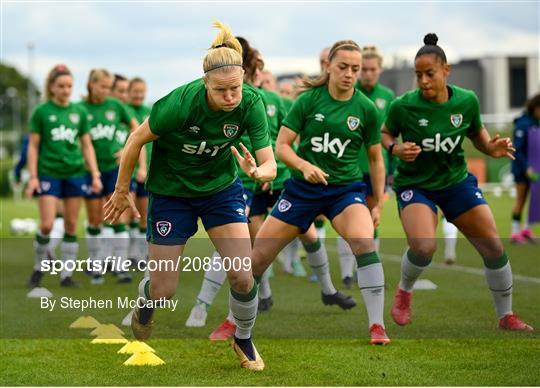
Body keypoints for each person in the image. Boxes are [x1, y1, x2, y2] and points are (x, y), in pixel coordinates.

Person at [104, 21, 277, 371]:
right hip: (172, 194)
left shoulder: (252, 104)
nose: (231, 97)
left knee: (243, 275)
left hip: (221, 191)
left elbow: (269, 162)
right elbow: (136, 139)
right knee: (164, 289)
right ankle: (146, 302)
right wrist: (122, 190)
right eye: (221, 91)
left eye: (236, 89)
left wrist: (259, 173)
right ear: (205, 84)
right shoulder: (179, 104)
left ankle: (243, 338)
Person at [382, 33, 533, 332]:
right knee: (424, 248)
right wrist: (394, 148)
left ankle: (506, 315)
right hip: (417, 184)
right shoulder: (403, 106)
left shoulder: (466, 101)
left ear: (446, 70)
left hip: (456, 182)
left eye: (430, 73)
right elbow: (386, 133)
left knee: (492, 246)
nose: (423, 81)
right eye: (418, 75)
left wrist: (492, 148)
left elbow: (478, 136)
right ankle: (404, 291)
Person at [247, 40, 390, 345]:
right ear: (328, 67)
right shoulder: (309, 100)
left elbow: (377, 159)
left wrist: (377, 202)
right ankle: (235, 322)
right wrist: (304, 165)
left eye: (356, 68)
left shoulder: (365, 108)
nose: (350, 74)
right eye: (343, 67)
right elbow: (282, 147)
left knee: (365, 242)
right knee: (258, 256)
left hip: (345, 191)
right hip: (302, 190)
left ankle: (377, 325)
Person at [25, 64, 102, 288]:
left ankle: (66, 276)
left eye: (69, 86)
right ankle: (39, 267)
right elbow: (33, 147)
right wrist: (32, 177)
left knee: (70, 224)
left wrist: (95, 174)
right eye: (61, 86)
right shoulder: (41, 112)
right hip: (49, 173)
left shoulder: (79, 112)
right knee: (47, 225)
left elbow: (87, 145)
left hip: (75, 173)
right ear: (51, 87)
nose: (66, 90)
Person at [338, 45, 396, 287]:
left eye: (373, 69)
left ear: (380, 69)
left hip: (375, 168)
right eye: (365, 69)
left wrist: (392, 170)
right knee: (345, 219)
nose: (369, 73)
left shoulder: (388, 96)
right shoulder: (349, 92)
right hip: (349, 166)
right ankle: (346, 272)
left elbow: (391, 136)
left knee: (373, 217)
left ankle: (369, 267)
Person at [81, 69, 140, 285]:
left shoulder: (116, 107)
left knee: (119, 217)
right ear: (91, 85)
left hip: (114, 170)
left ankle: (121, 266)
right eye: (103, 87)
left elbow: (137, 130)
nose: (106, 91)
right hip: (90, 172)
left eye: (109, 87)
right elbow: (81, 140)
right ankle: (96, 266)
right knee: (96, 219)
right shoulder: (81, 109)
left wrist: (125, 149)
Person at [510, 93, 540, 244]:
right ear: (535, 108)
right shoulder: (523, 124)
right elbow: (517, 149)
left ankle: (526, 230)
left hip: (534, 169)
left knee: (533, 199)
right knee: (520, 200)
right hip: (521, 168)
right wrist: (527, 167)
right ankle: (515, 233)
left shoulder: (536, 122)